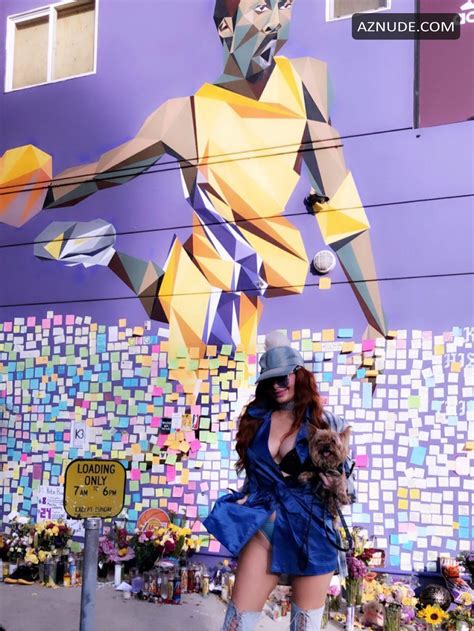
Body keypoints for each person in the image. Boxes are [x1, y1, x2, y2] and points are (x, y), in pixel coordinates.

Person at [3, 0, 386, 365]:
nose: (275, 22)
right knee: (191, 329)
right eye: (259, 8)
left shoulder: (307, 80)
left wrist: (377, 323)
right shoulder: (184, 117)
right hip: (218, 251)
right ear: (226, 26)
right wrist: (36, 193)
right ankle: (106, 254)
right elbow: (102, 173)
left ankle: (104, 253)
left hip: (267, 249)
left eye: (284, 5)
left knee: (179, 313)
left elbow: (340, 209)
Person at [173, 330, 355, 631]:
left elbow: (345, 479)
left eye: (285, 375)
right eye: (271, 378)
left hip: (312, 533)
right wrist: (241, 500)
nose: (279, 384)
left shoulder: (323, 420)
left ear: (299, 374)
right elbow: (254, 476)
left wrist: (334, 478)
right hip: (268, 528)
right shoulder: (254, 419)